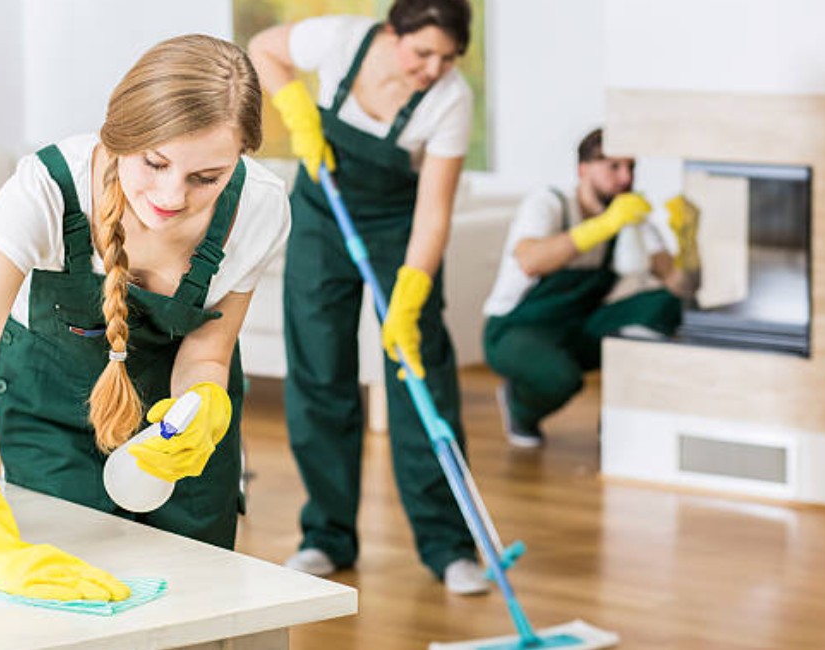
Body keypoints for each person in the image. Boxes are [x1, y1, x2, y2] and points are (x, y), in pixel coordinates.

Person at [0, 34, 290, 601]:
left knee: (196, 598)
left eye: (206, 178)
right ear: (120, 133)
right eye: (155, 162)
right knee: (72, 599)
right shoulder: (45, 191)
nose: (171, 196)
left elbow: (208, 351)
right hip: (55, 415)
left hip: (175, 438)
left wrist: (202, 407)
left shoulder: (259, 206)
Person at [249, 0, 487, 595]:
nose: (433, 69)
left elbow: (434, 212)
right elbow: (264, 50)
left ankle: (448, 546)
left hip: (398, 228)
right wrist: (296, 109)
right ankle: (326, 536)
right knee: (319, 369)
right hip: (321, 214)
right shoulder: (340, 40)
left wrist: (410, 293)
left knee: (418, 373)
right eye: (423, 52)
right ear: (392, 31)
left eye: (448, 58)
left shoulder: (450, 100)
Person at [482, 128, 700, 448]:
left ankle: (618, 416)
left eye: (631, 167)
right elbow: (530, 260)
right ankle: (520, 406)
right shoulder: (550, 204)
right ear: (583, 169)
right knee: (560, 378)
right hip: (516, 329)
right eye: (614, 167)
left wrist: (688, 239)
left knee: (667, 304)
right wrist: (605, 225)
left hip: (579, 326)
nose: (626, 178)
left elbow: (678, 286)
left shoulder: (630, 218)